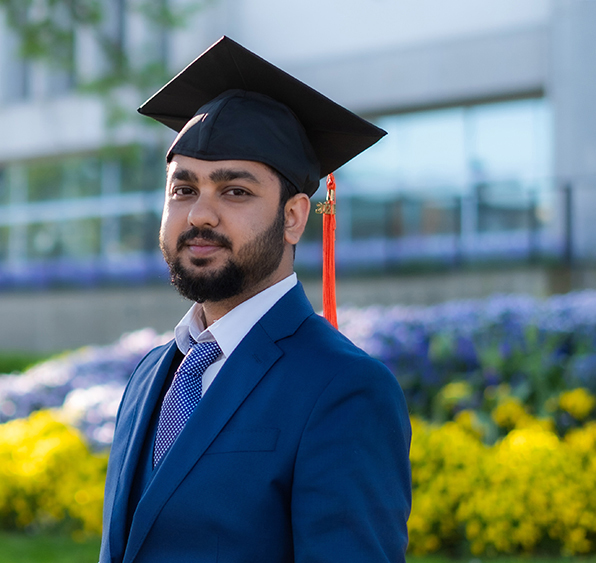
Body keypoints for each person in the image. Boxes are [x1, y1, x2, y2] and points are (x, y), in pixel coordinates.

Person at [100, 36, 411, 563]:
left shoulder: (344, 389)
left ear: (293, 217)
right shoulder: (152, 373)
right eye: (183, 190)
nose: (199, 214)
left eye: (235, 191)